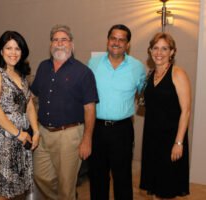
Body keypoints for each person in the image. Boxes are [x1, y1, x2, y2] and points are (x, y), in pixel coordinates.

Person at [31, 24, 98, 200]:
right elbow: (32, 95)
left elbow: (90, 108)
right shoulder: (43, 67)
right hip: (43, 133)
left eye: (64, 40)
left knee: (66, 183)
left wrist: (87, 139)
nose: (59, 43)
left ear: (72, 45)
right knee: (40, 176)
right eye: (55, 40)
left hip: (69, 135)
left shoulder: (83, 72)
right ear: (50, 44)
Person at [0, 31, 40, 200]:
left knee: (12, 190)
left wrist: (36, 130)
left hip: (20, 138)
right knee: (0, 190)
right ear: (1, 51)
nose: (13, 52)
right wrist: (18, 134)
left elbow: (29, 105)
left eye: (17, 48)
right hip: (1, 138)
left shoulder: (21, 75)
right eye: (8, 48)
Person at [88, 24, 146, 200]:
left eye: (122, 39)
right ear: (108, 41)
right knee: (97, 177)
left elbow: (145, 94)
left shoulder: (137, 67)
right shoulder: (93, 63)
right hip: (96, 129)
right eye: (113, 38)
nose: (117, 42)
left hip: (122, 130)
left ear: (127, 44)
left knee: (122, 178)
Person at [140, 32, 191, 199]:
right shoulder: (150, 75)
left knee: (167, 189)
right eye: (155, 48)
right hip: (152, 138)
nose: (159, 53)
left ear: (172, 52)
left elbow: (186, 111)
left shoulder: (178, 74)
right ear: (150, 50)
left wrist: (178, 142)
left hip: (170, 140)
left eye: (164, 48)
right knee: (155, 188)